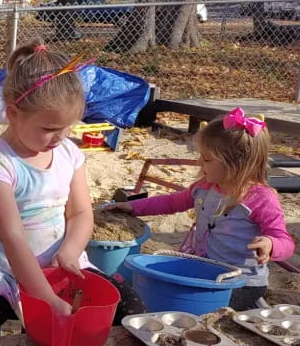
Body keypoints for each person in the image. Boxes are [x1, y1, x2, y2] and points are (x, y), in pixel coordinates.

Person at [0, 41, 145, 340]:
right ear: (13, 113)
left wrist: (70, 250)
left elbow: (80, 213)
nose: (59, 137)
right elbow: (12, 238)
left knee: (129, 307)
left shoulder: (67, 152)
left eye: (67, 127)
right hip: (1, 269)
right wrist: (46, 299)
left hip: (60, 263)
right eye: (48, 128)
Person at [110, 109, 294, 311]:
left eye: (207, 159)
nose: (199, 163)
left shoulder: (261, 198)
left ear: (236, 164)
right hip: (202, 268)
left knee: (185, 304)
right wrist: (133, 207)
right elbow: (172, 202)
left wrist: (270, 244)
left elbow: (285, 242)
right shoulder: (205, 187)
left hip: (240, 281)